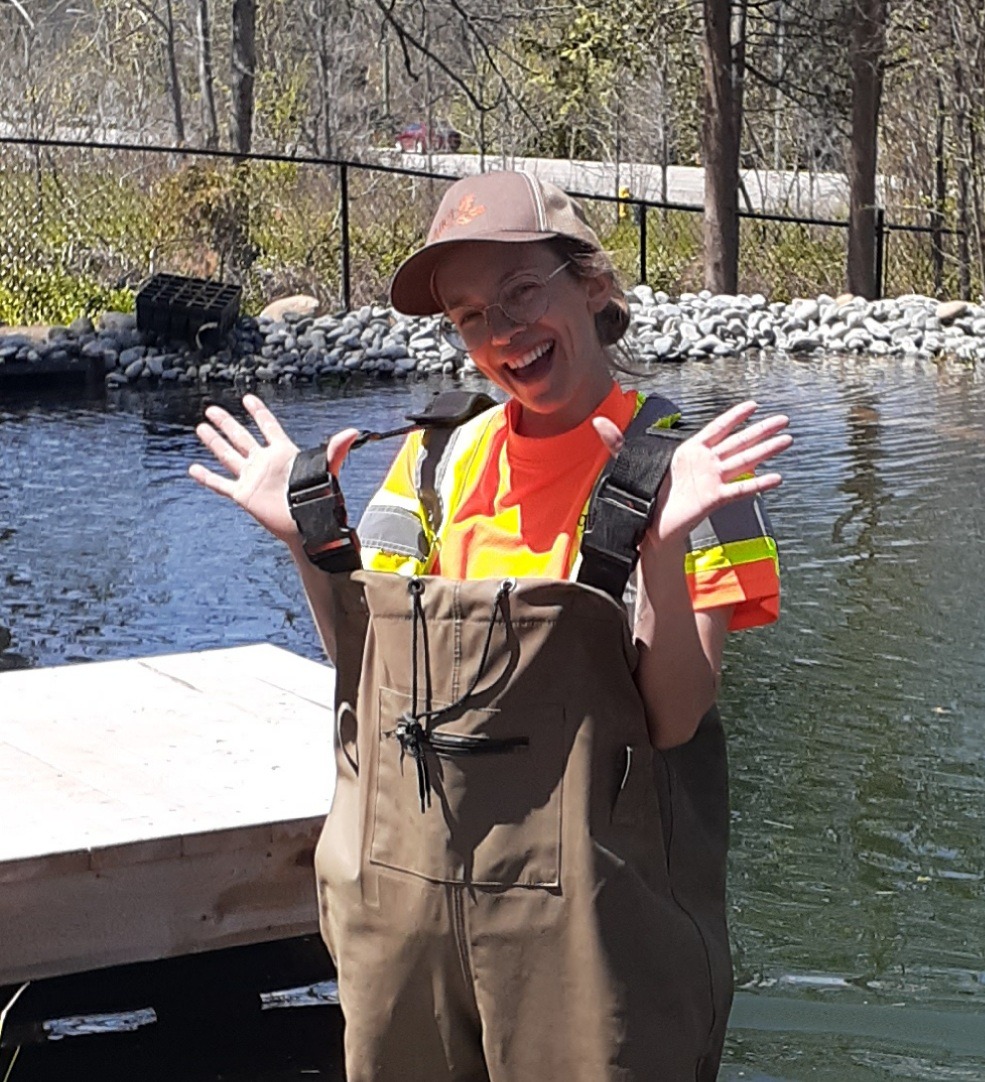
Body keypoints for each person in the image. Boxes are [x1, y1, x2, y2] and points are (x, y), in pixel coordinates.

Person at [189, 171, 791, 1082]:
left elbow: (673, 716)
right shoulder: (437, 458)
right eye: (471, 315)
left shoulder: (691, 467)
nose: (503, 332)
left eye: (522, 292)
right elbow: (367, 673)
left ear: (590, 285)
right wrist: (310, 543)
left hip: (593, 930)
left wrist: (662, 542)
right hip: (416, 913)